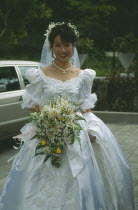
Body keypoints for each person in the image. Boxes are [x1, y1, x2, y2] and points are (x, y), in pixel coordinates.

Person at [0, 22, 135, 210]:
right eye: (57, 45)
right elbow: (32, 106)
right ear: (51, 47)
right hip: (46, 135)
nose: (63, 49)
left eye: (67, 44)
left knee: (82, 183)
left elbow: (85, 108)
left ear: (74, 46)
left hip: (76, 135)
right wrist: (47, 122)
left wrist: (91, 128)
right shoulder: (39, 75)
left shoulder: (84, 76)